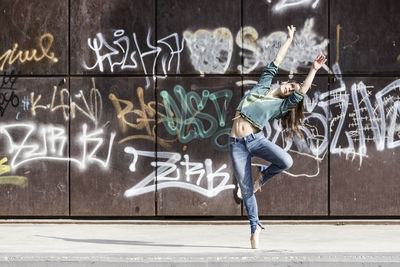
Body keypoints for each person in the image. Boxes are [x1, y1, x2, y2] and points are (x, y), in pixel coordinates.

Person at [228, 25, 327, 249]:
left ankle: (263, 175)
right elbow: (277, 59)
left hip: (255, 139)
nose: (290, 89)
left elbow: (302, 91)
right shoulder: (263, 85)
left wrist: (313, 69)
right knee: (245, 190)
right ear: (284, 82)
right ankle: (255, 227)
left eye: (292, 90)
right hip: (236, 144)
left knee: (287, 160)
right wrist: (289, 39)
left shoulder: (281, 106)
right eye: (290, 85)